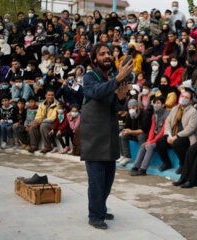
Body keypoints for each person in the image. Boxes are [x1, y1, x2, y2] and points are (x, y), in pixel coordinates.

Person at [80, 43, 133, 230]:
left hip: (109, 138)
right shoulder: (89, 77)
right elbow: (96, 92)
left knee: (107, 181)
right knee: (96, 181)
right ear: (95, 60)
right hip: (94, 139)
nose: (107, 56)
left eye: (109, 53)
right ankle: (95, 216)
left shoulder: (111, 79)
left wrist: (121, 97)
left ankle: (100, 208)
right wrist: (118, 79)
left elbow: (117, 108)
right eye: (102, 54)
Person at [155, 90, 197, 172]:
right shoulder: (175, 108)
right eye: (183, 96)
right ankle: (166, 163)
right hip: (172, 134)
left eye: (187, 97)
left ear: (190, 101)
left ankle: (183, 165)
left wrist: (177, 136)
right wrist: (168, 135)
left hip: (186, 136)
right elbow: (168, 122)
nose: (184, 99)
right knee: (160, 141)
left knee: (177, 143)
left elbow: (191, 128)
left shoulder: (193, 112)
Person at [130, 96, 169, 176]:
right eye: (155, 103)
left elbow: (163, 131)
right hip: (155, 138)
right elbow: (152, 129)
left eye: (158, 103)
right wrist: (148, 141)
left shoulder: (167, 114)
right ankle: (136, 166)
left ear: (163, 105)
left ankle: (143, 169)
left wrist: (151, 142)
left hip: (163, 138)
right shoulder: (154, 114)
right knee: (144, 145)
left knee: (150, 146)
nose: (156, 105)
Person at [118, 99, 151, 166]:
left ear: (137, 107)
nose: (131, 110)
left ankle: (142, 159)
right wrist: (126, 131)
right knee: (122, 135)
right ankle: (126, 157)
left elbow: (144, 130)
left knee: (141, 136)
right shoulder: (129, 114)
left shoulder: (145, 114)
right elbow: (127, 126)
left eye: (133, 107)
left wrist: (131, 131)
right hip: (133, 133)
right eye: (129, 108)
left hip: (145, 134)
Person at [28, 89, 58, 153]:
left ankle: (47, 147)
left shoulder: (57, 104)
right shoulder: (42, 104)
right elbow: (38, 115)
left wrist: (42, 121)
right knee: (33, 126)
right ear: (45, 96)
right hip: (42, 122)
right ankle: (34, 146)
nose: (50, 97)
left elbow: (53, 118)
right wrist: (36, 121)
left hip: (52, 123)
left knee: (43, 126)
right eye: (49, 95)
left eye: (52, 95)